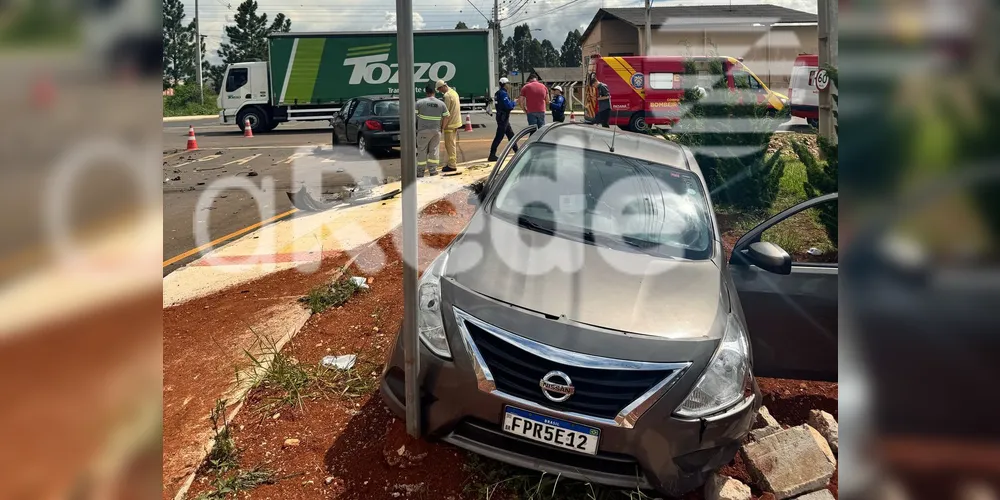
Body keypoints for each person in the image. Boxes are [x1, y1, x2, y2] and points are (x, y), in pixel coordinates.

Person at [415, 84, 448, 177]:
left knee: (422, 150)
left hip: (423, 131)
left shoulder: (420, 103)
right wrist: (442, 128)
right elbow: (447, 116)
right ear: (434, 92)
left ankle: (420, 171)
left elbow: (414, 116)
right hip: (436, 131)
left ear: (426, 92)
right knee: (434, 150)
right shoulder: (441, 103)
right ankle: (433, 170)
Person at [488, 77, 519, 162]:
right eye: (508, 83)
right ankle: (492, 154)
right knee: (499, 136)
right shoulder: (503, 94)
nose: (509, 85)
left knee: (511, 135)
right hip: (503, 117)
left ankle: (517, 151)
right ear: (505, 85)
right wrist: (514, 102)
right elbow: (508, 106)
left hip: (502, 117)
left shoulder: (498, 93)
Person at [436, 79, 462, 173]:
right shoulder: (454, 93)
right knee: (452, 143)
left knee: (449, 145)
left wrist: (442, 126)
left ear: (443, 87)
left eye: (439, 89)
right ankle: (452, 162)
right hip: (456, 122)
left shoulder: (447, 96)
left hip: (450, 124)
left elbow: (445, 113)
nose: (440, 91)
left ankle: (452, 165)